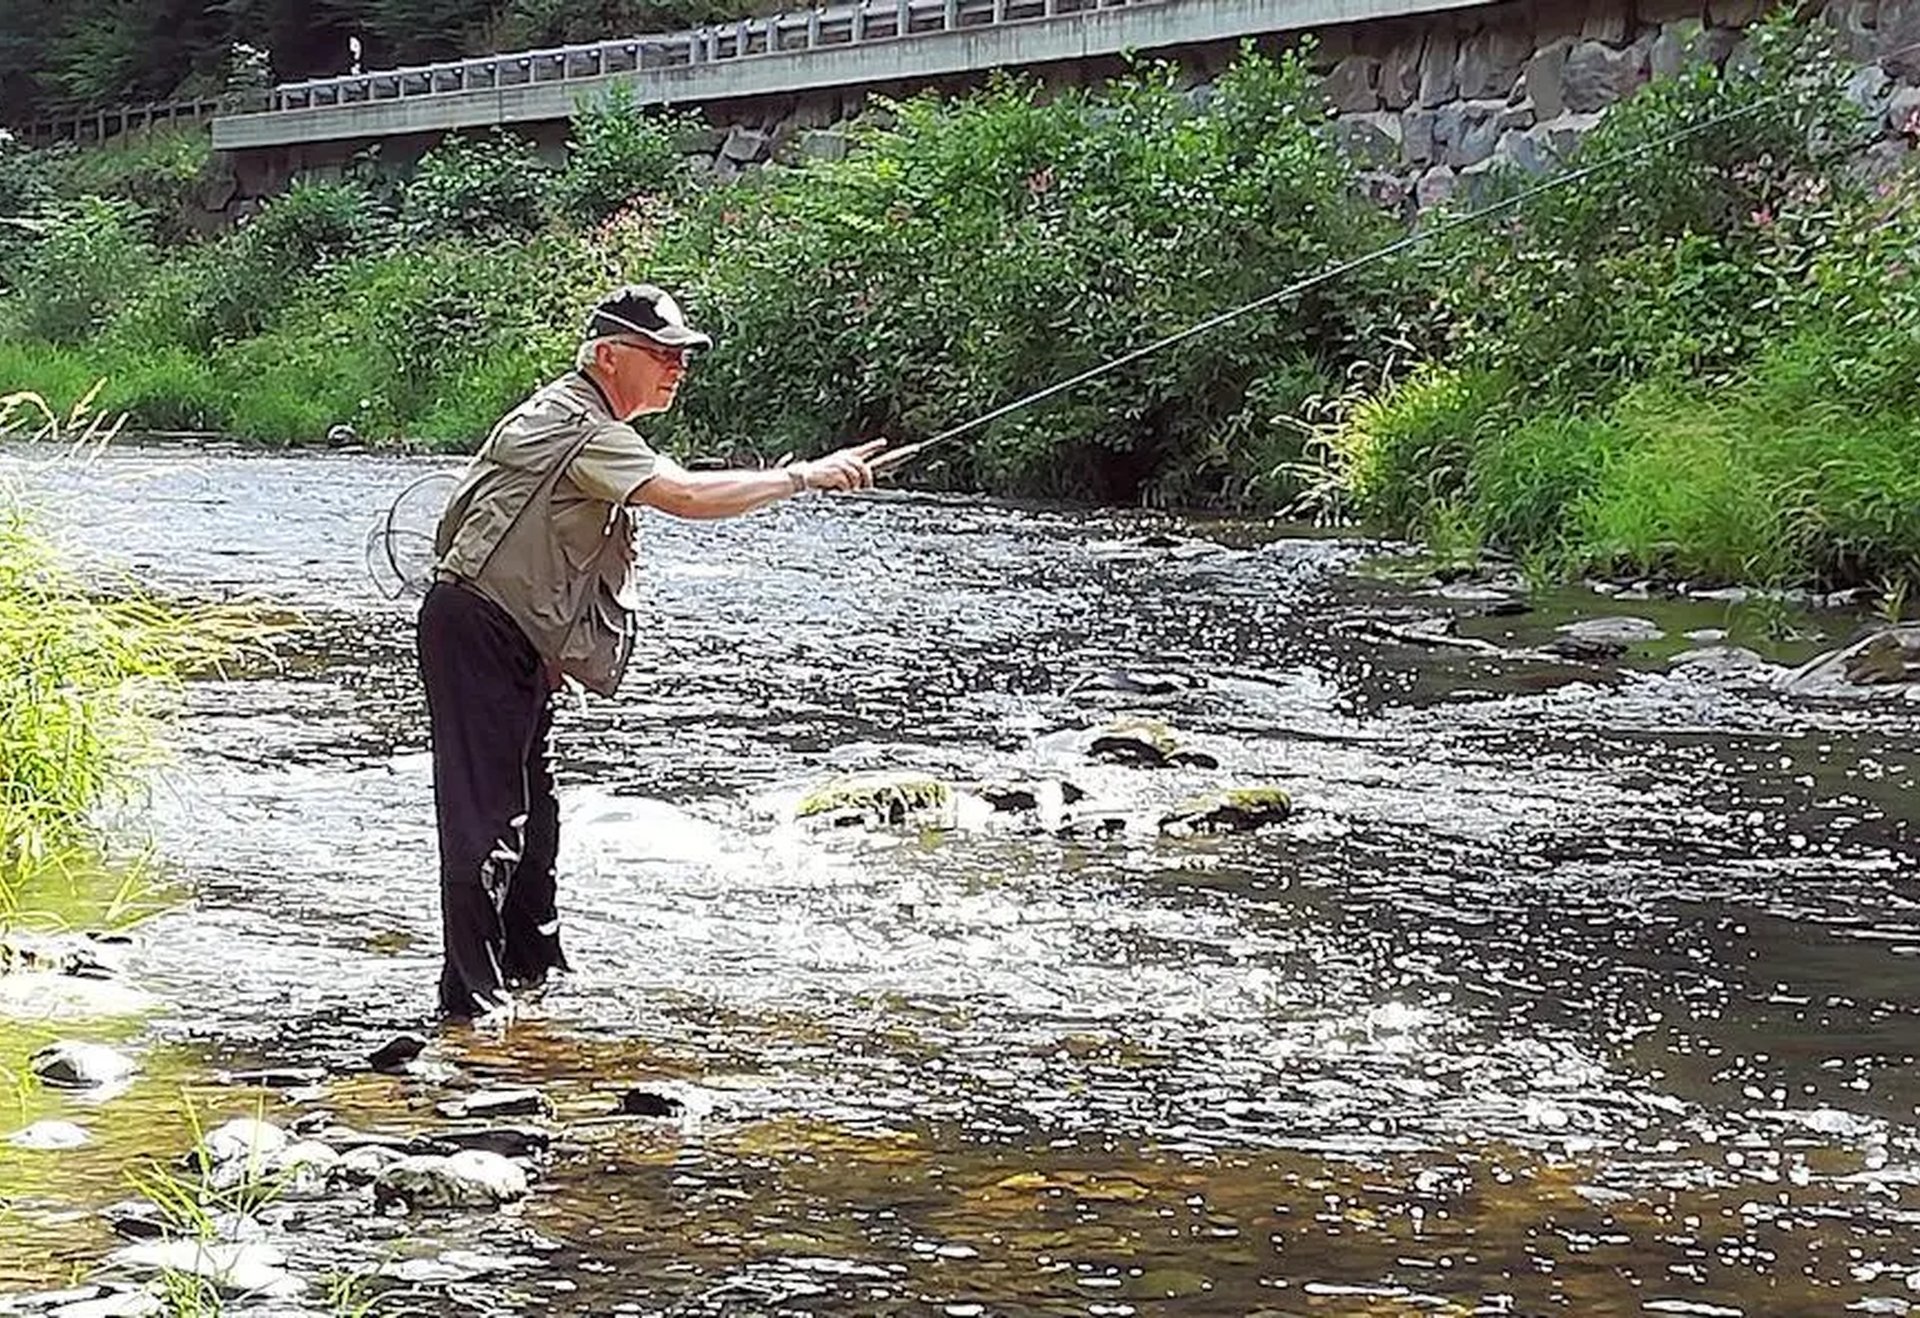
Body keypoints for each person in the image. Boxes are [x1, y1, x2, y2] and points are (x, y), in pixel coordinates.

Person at [417, 283, 883, 1022]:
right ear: (608, 355)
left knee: (535, 822)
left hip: (502, 635)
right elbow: (690, 497)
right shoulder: (587, 429)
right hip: (480, 631)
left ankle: (533, 977)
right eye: (662, 353)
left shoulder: (575, 413)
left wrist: (546, 648)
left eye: (682, 354)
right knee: (486, 823)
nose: (677, 367)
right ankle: (470, 1004)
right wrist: (804, 476)